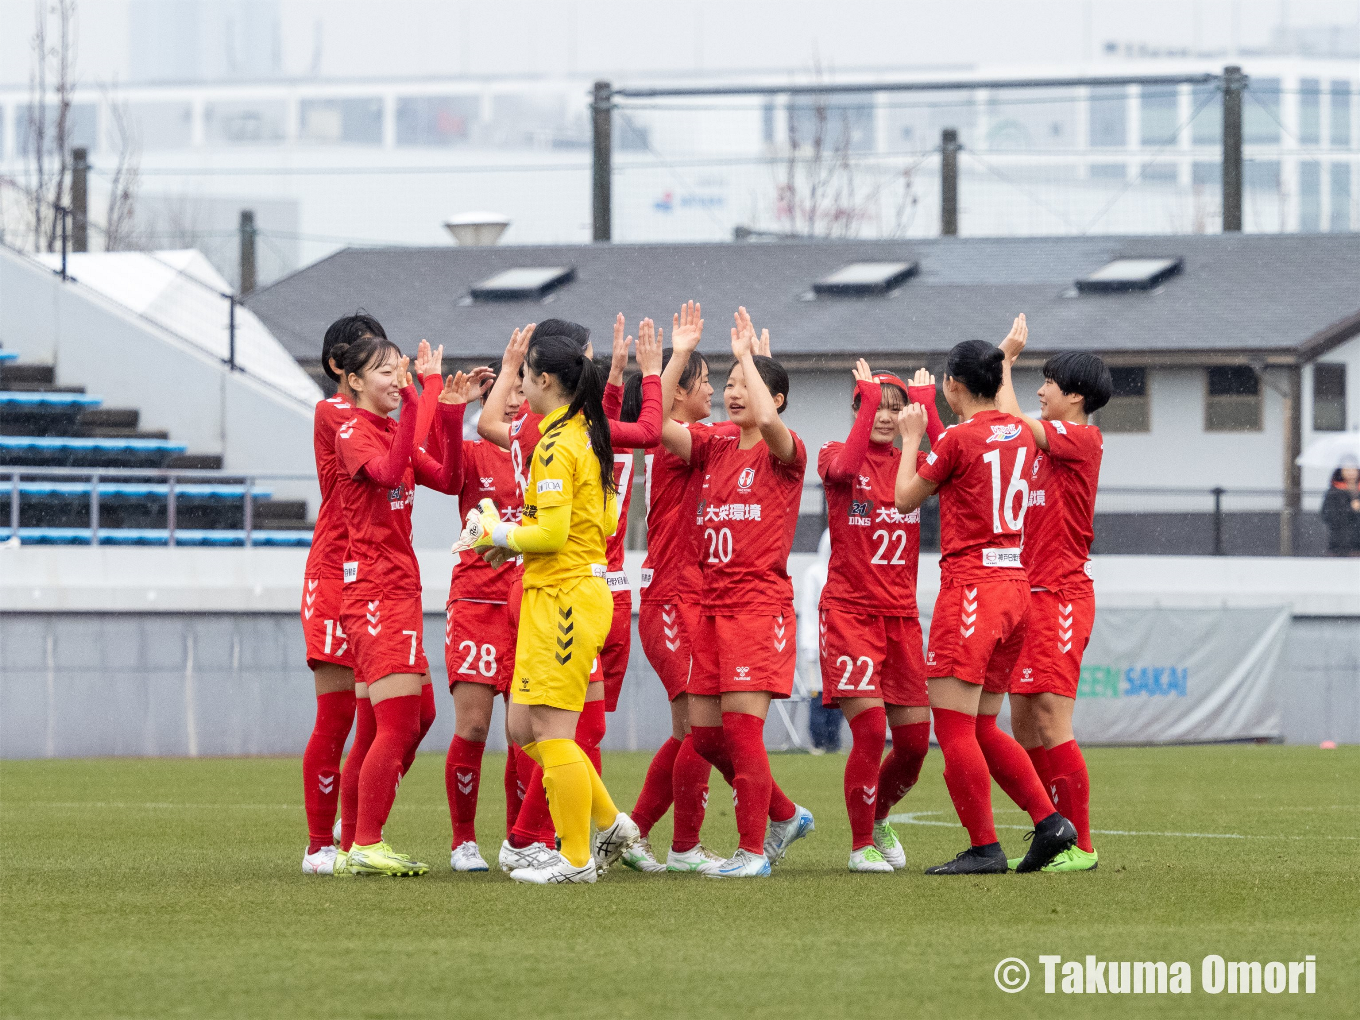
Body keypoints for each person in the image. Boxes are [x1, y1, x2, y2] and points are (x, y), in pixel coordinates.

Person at [476, 319, 663, 872]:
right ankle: (610, 826)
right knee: (522, 729)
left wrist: (500, 536)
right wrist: (511, 543)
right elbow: (594, 519)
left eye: (525, 378)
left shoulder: (558, 444)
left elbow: (554, 533)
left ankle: (577, 857)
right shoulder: (581, 432)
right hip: (549, 590)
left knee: (555, 733)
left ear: (547, 380)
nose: (519, 391)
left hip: (565, 596)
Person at [894, 336, 1075, 875]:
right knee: (983, 727)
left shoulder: (956, 440)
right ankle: (1050, 822)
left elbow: (905, 498)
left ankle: (985, 847)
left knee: (952, 729)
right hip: (1015, 583)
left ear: (952, 385)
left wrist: (911, 440)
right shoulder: (1020, 431)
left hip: (972, 587)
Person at [659, 307, 815, 879]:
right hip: (710, 606)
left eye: (744, 385)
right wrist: (677, 357)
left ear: (775, 399)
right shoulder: (715, 445)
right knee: (704, 734)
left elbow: (774, 429)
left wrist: (750, 357)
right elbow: (655, 426)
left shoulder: (785, 452)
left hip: (757, 607)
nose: (732, 393)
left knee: (743, 730)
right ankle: (783, 814)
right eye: (726, 384)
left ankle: (751, 852)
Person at [300, 316, 442, 875]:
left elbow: (419, 452)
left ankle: (357, 823)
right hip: (338, 574)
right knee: (339, 716)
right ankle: (321, 843)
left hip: (380, 572)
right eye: (377, 364)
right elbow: (398, 455)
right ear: (343, 369)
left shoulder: (380, 419)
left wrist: (426, 400)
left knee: (399, 715)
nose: (391, 372)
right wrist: (419, 396)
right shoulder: (335, 413)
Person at [331, 337, 476, 877]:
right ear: (354, 381)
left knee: (412, 718)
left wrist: (451, 414)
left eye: (400, 371)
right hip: (373, 592)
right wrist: (419, 398)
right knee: (396, 722)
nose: (396, 380)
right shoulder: (350, 430)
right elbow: (391, 474)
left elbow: (450, 479)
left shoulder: (392, 431)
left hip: (398, 591)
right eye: (385, 373)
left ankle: (353, 844)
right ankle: (366, 841)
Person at [994, 314, 1111, 873]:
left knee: (1051, 718)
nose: (1039, 391)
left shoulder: (1082, 439)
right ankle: (1052, 829)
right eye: (1035, 379)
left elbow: (1012, 417)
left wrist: (1006, 360)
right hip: (1024, 596)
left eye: (1048, 382)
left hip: (1061, 595)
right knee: (1020, 723)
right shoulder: (1042, 447)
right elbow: (1002, 425)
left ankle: (1082, 844)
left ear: (1075, 396)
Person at [817, 360, 942, 872]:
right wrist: (868, 399)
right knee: (869, 730)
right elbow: (844, 471)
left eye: (896, 409)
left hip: (902, 619)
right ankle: (859, 845)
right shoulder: (836, 455)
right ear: (857, 407)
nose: (887, 418)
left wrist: (928, 409)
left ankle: (879, 815)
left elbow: (956, 456)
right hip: (850, 613)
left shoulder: (912, 462)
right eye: (877, 407)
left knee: (914, 745)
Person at [628, 301, 730, 874]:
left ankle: (636, 833)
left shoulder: (708, 436)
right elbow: (655, 413)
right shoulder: (674, 440)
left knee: (690, 729)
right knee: (696, 725)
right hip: (671, 595)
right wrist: (677, 355)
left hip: (700, 598)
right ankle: (685, 846)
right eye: (707, 382)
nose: (713, 391)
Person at [441, 360, 519, 874]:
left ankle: (521, 837)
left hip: (531, 601)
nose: (514, 401)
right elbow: (441, 472)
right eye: (504, 392)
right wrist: (450, 409)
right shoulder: (471, 454)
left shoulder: (545, 454)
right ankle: (463, 841)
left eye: (523, 389)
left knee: (526, 732)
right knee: (473, 726)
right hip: (475, 601)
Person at [798, 530, 842, 754]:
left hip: (840, 646)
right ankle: (818, 741)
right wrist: (808, 646)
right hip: (816, 645)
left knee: (839, 696)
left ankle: (834, 741)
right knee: (817, 694)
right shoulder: (814, 573)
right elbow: (807, 611)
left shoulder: (846, 573)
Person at [1322, 454, 1360, 556]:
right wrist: (1350, 509)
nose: (1351, 472)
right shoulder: (1334, 492)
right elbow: (1328, 515)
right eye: (1347, 469)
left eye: (1353, 469)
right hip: (1338, 546)